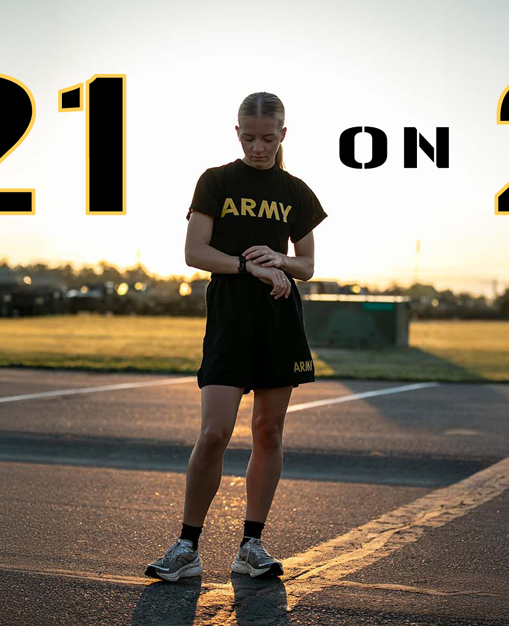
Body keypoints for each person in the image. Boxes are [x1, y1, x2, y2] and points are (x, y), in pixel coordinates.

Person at [144, 92, 327, 582]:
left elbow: (308, 265)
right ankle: (186, 545)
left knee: (268, 432)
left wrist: (278, 261)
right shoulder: (217, 180)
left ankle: (251, 546)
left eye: (268, 139)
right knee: (214, 432)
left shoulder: (296, 190)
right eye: (249, 138)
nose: (258, 147)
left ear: (283, 135)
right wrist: (250, 267)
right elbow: (194, 252)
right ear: (237, 133)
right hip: (229, 319)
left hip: (278, 321)